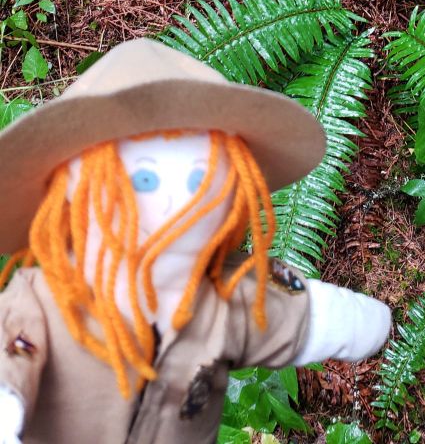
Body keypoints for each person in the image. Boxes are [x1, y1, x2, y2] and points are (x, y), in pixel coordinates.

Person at [0, 37, 391, 443]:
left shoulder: (229, 295)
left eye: (199, 179)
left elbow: (300, 316)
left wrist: (344, 319)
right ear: (75, 184)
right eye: (144, 179)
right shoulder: (44, 302)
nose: (176, 202)